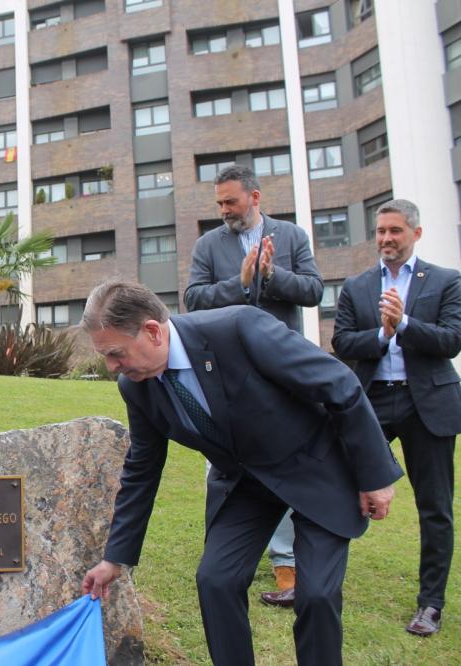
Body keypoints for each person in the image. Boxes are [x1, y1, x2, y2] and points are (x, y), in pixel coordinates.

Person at [80, 280, 401, 666]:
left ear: (151, 331)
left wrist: (374, 477)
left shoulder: (238, 329)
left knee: (316, 594)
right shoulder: (137, 387)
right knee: (216, 581)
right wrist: (116, 558)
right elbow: (142, 469)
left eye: (116, 353)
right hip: (245, 483)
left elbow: (340, 385)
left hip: (315, 466)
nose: (112, 366)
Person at [184, 164, 324, 606]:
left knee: (284, 462)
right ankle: (222, 554)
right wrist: (240, 283)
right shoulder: (209, 244)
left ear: (256, 197)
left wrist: (271, 276)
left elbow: (314, 290)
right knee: (222, 465)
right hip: (227, 373)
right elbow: (194, 299)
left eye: (232, 202)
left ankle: (288, 564)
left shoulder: (292, 237)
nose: (225, 210)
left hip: (283, 374)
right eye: (220, 203)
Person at [332, 198, 461, 637]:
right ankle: (317, 584)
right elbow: (344, 342)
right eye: (381, 231)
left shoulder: (445, 281)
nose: (386, 239)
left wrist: (403, 324)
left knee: (435, 507)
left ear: (416, 234)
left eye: (395, 231)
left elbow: (451, 340)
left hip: (428, 405)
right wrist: (382, 335)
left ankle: (431, 604)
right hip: (372, 402)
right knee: (335, 485)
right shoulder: (358, 285)